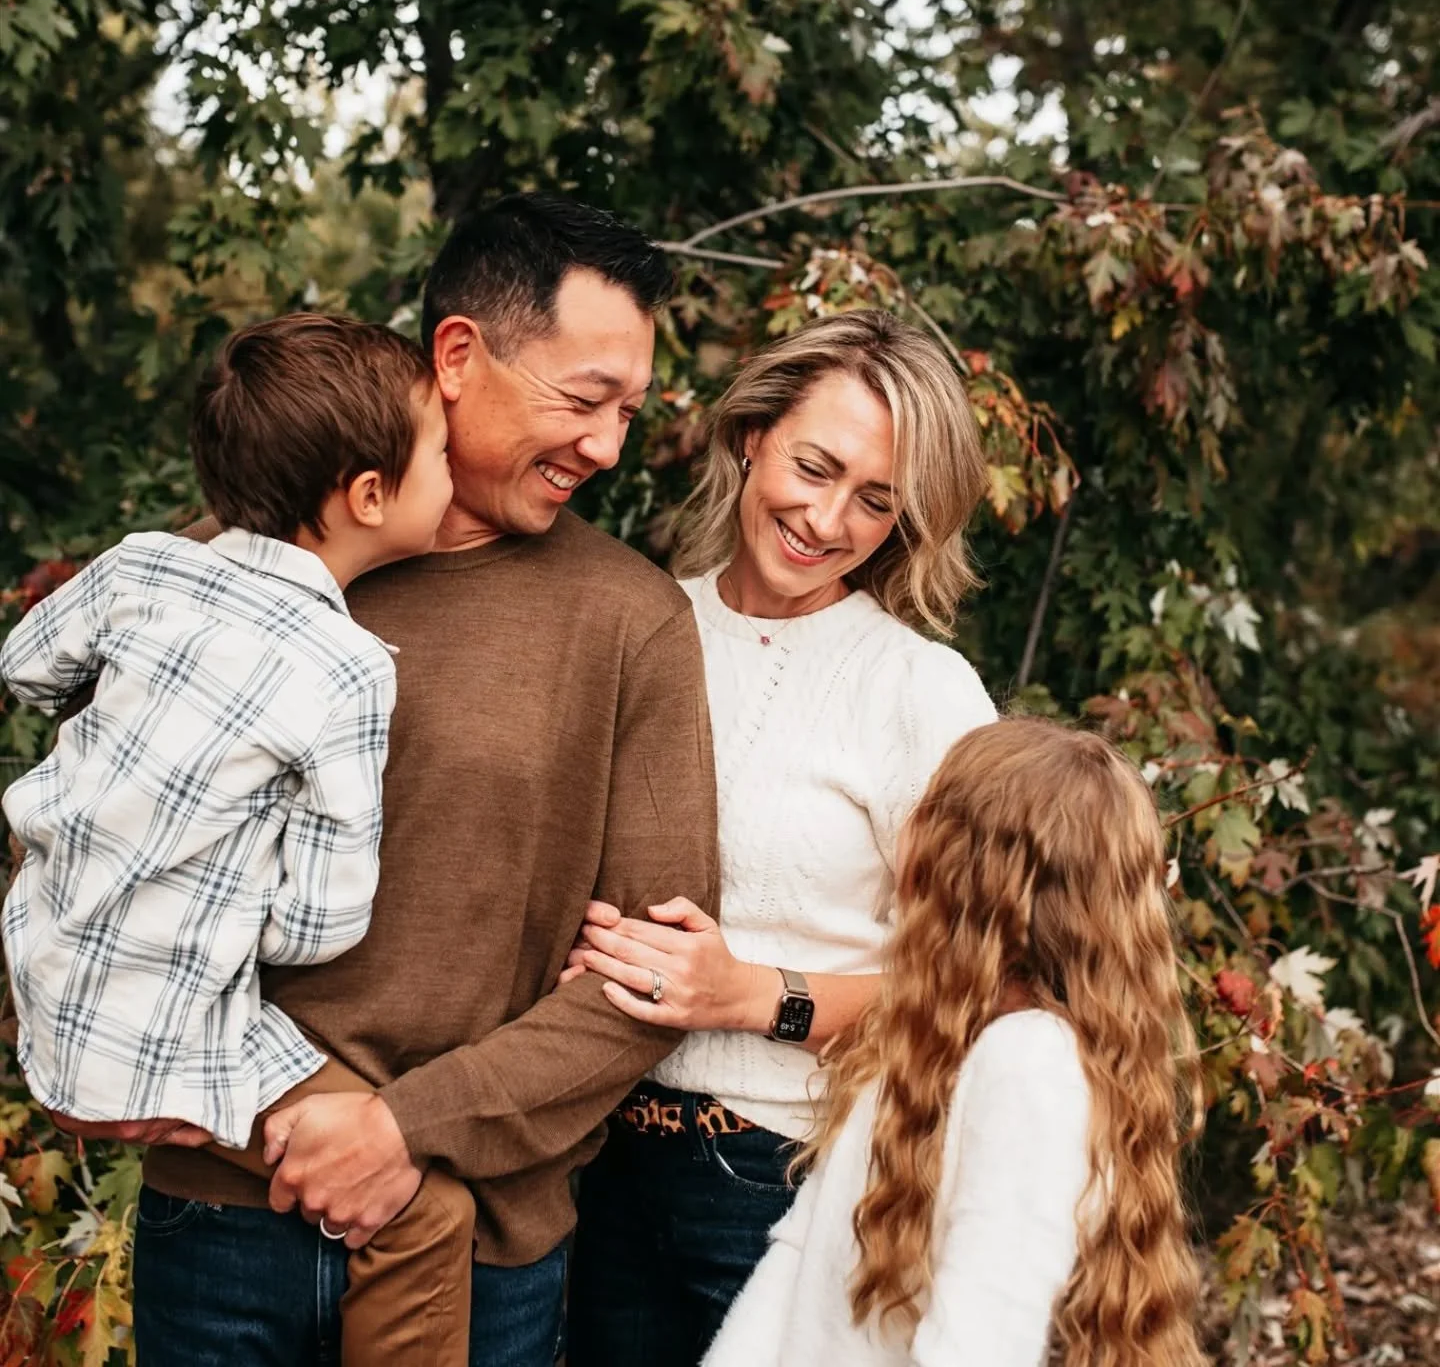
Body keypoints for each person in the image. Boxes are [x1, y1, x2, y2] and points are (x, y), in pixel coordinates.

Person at [125, 194, 719, 1367]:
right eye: (585, 398)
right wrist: (268, 1110)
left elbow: (649, 982)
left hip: (486, 1250)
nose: (609, 446)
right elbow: (97, 856)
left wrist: (404, 1128)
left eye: (629, 411)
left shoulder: (629, 619)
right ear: (458, 355)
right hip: (221, 1217)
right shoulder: (236, 569)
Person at [1, 314, 477, 1365]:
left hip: (46, 986)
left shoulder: (143, 565)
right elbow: (319, 925)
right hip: (163, 1030)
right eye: (442, 453)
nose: (455, 470)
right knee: (424, 1209)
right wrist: (221, 892)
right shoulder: (349, 667)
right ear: (369, 496)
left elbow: (26, 665)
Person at [565, 309, 998, 1364]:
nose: (827, 518)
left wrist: (755, 995)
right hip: (593, 1160)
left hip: (787, 1177)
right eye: (815, 466)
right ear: (752, 435)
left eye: (876, 500)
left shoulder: (918, 691)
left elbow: (981, 984)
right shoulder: (638, 624)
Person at [701, 717, 1206, 1367]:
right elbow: (801, 1259)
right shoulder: (931, 1035)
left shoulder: (1030, 1065)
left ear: (968, 864)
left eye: (928, 806)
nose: (906, 828)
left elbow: (979, 1344)